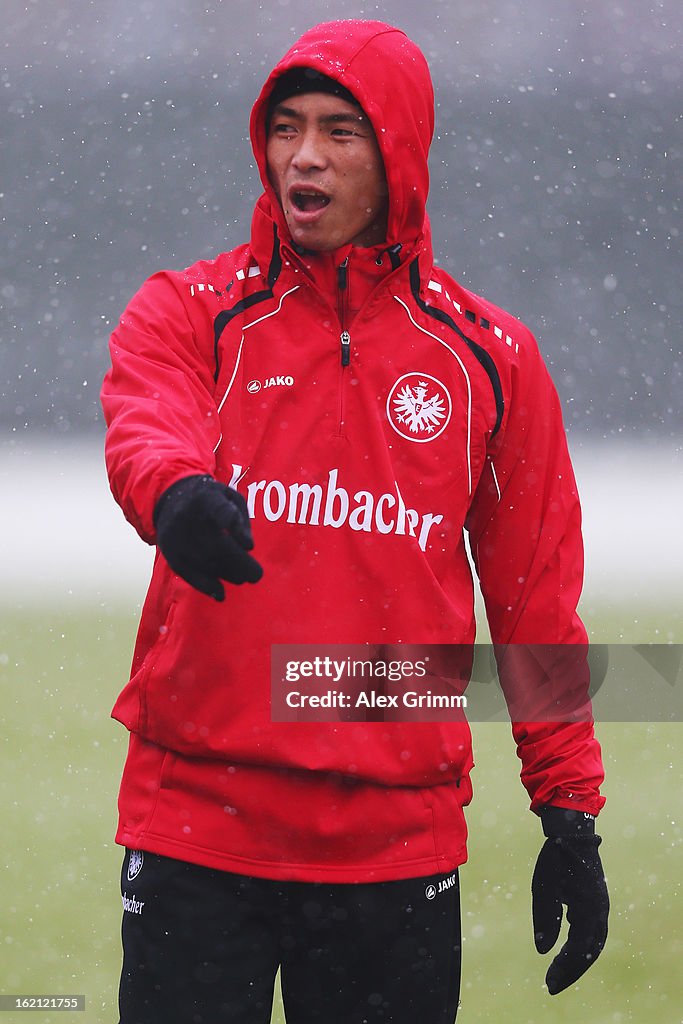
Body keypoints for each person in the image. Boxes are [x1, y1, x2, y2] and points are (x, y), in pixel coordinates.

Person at [101, 18, 609, 1024]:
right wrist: (174, 492)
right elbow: (145, 417)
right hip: (197, 833)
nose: (304, 154)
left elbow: (532, 603)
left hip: (391, 852)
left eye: (340, 130)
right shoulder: (187, 309)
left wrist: (568, 809)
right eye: (285, 127)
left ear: (399, 152)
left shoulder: (489, 360)